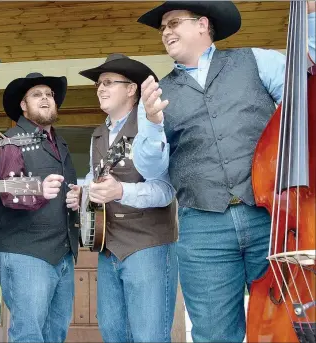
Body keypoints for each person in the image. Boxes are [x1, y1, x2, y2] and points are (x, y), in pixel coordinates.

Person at [132, 2, 316, 341]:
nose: (166, 32)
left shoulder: (256, 60)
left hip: (271, 216)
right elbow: (151, 170)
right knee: (214, 333)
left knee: (288, 323)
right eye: (162, 28)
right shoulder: (156, 94)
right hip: (202, 227)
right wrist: (154, 124)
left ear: (202, 24)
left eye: (173, 23)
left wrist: (310, 17)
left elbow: (306, 82)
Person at [66, 53, 178, 342]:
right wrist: (84, 193)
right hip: (107, 247)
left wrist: (121, 191)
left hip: (147, 247)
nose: (100, 88)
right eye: (98, 84)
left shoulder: (152, 126)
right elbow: (96, 178)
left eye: (108, 82)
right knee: (114, 334)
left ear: (131, 89)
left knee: (149, 336)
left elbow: (166, 191)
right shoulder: (98, 135)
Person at [0, 73, 78, 343]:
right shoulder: (11, 140)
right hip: (25, 253)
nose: (46, 98)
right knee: (28, 335)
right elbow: (6, 190)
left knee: (55, 336)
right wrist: (39, 191)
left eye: (49, 94)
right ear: (23, 106)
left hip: (63, 252)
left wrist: (77, 197)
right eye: (37, 94)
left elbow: (64, 191)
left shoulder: (60, 144)